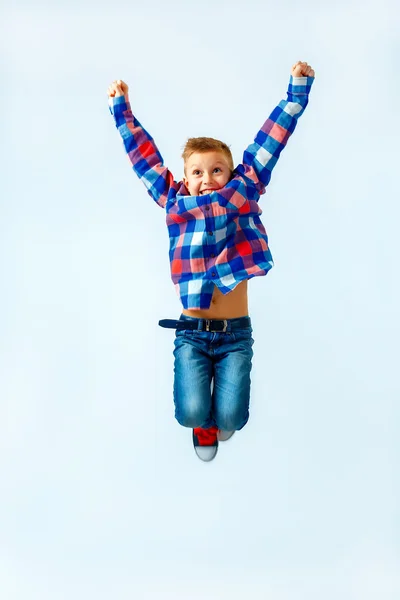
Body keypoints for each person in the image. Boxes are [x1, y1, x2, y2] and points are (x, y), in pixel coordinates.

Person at [107, 61, 315, 462]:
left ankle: (221, 418)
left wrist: (296, 92)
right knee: (190, 414)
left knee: (233, 416)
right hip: (192, 333)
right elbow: (145, 161)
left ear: (231, 172)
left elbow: (269, 143)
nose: (208, 178)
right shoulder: (175, 202)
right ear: (184, 178)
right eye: (198, 171)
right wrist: (123, 113)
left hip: (236, 334)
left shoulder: (243, 191)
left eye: (217, 170)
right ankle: (203, 423)